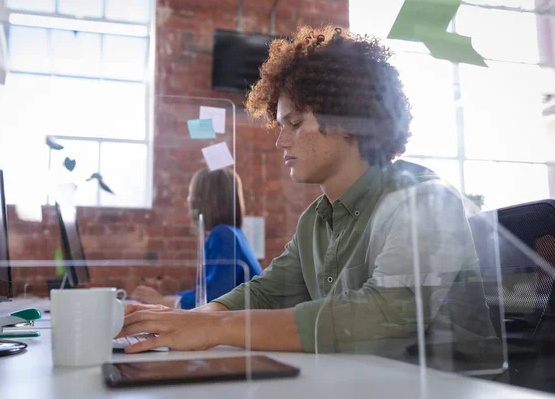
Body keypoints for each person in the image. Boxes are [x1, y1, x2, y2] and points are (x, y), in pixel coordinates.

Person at [117, 26, 496, 361]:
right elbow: (266, 293)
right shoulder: (317, 219)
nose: (281, 141)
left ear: (348, 118)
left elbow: (380, 317)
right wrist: (188, 320)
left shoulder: (424, 201)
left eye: (294, 124)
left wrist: (216, 329)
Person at [130, 167, 262, 309]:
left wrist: (163, 301)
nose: (188, 199)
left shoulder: (223, 235)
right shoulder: (233, 233)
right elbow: (209, 290)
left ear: (202, 200)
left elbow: (213, 299)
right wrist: (169, 298)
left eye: (190, 193)